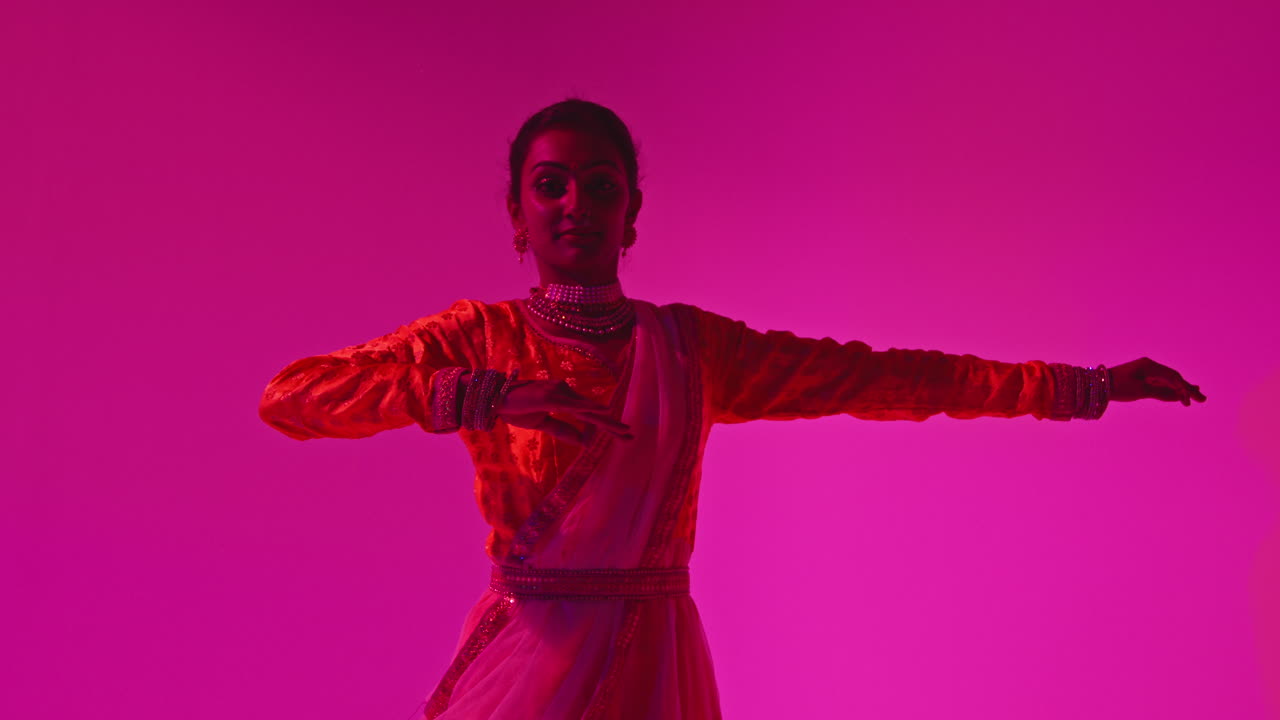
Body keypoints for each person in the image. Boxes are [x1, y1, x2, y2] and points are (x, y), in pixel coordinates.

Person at [257, 98, 1207, 719]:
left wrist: (1080, 387)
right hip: (531, 660)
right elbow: (290, 398)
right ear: (516, 215)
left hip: (655, 656)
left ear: (633, 212)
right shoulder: (478, 340)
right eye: (550, 185)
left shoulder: (690, 351)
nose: (574, 204)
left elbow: (890, 379)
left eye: (600, 185)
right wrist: (480, 393)